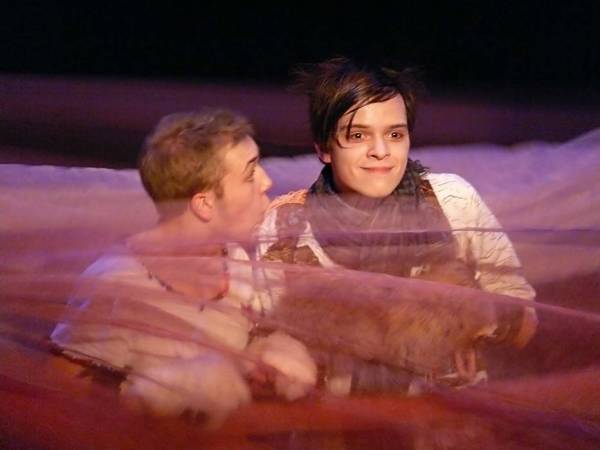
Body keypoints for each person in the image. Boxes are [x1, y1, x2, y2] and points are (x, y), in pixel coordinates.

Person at [257, 57, 538, 395]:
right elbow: (264, 337)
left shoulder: (452, 201)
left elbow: (525, 320)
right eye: (358, 135)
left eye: (394, 134)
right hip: (334, 418)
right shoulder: (286, 225)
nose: (381, 151)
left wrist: (463, 318)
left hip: (447, 412)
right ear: (324, 148)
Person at [50, 110, 317, 425]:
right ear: (204, 204)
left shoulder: (239, 262)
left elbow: (230, 366)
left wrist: (259, 361)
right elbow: (63, 401)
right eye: (250, 173)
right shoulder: (117, 283)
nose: (267, 181)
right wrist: (156, 398)